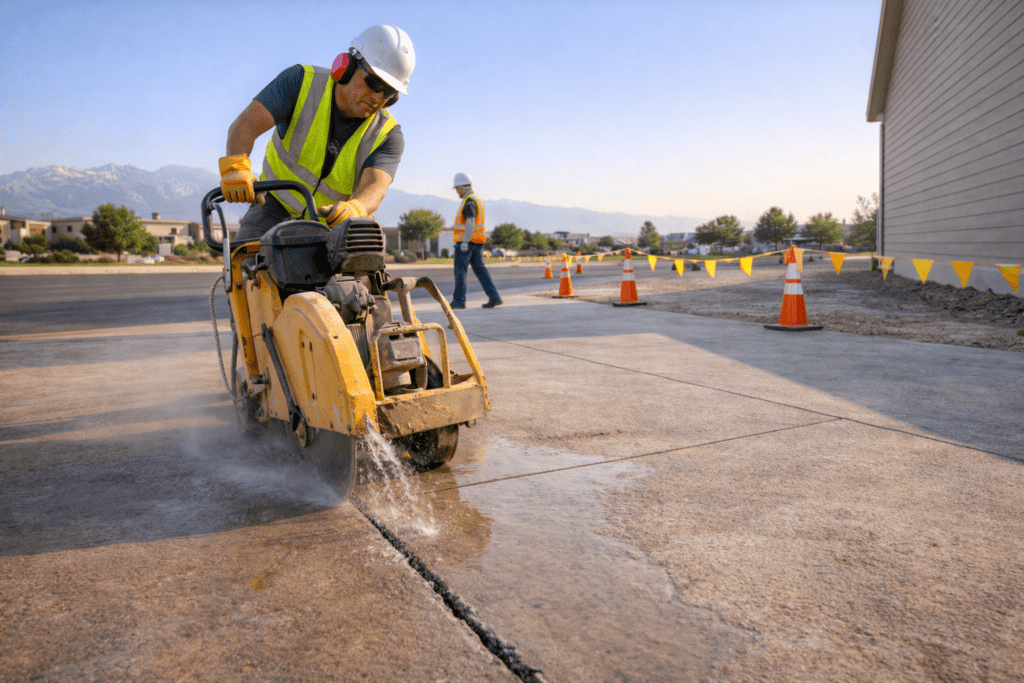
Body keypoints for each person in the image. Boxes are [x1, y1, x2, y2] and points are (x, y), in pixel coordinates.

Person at [218, 24, 415, 241]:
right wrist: (235, 166)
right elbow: (246, 124)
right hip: (272, 206)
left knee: (366, 264)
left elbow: (376, 185)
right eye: (374, 82)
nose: (378, 97)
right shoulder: (300, 82)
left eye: (388, 91)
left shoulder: (388, 134)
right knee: (241, 267)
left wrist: (356, 208)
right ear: (346, 67)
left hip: (331, 223)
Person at [450, 172, 502, 309]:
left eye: (456, 189)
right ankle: (494, 297)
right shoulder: (476, 199)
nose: (457, 192)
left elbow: (470, 221)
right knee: (480, 271)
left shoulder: (469, 201)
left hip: (467, 244)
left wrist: (465, 241)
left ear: (461, 188)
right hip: (477, 242)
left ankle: (459, 301)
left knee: (460, 272)